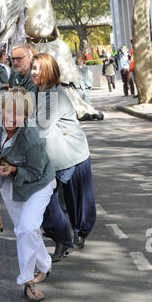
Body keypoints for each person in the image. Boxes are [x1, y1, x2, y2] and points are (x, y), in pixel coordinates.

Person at [0, 87, 55, 302]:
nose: (11, 118)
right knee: (25, 231)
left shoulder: (33, 138)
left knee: (28, 228)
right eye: (7, 112)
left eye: (19, 114)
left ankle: (27, 281)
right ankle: (45, 265)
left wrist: (13, 169)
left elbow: (36, 172)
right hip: (8, 182)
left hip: (38, 183)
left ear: (27, 116)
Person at [31, 53, 97, 252]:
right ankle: (62, 237)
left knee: (78, 201)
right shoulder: (37, 91)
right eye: (32, 68)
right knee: (46, 199)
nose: (32, 72)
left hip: (72, 154)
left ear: (48, 72)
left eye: (36, 68)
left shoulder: (56, 95)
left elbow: (43, 127)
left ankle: (79, 233)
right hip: (51, 157)